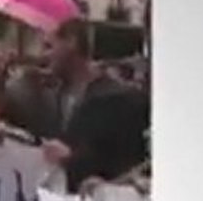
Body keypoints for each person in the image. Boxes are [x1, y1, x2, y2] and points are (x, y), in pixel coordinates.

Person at [42, 19, 150, 191]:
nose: (44, 55)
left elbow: (127, 164)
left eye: (49, 46)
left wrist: (72, 160)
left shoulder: (120, 100)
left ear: (71, 41)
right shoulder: (50, 97)